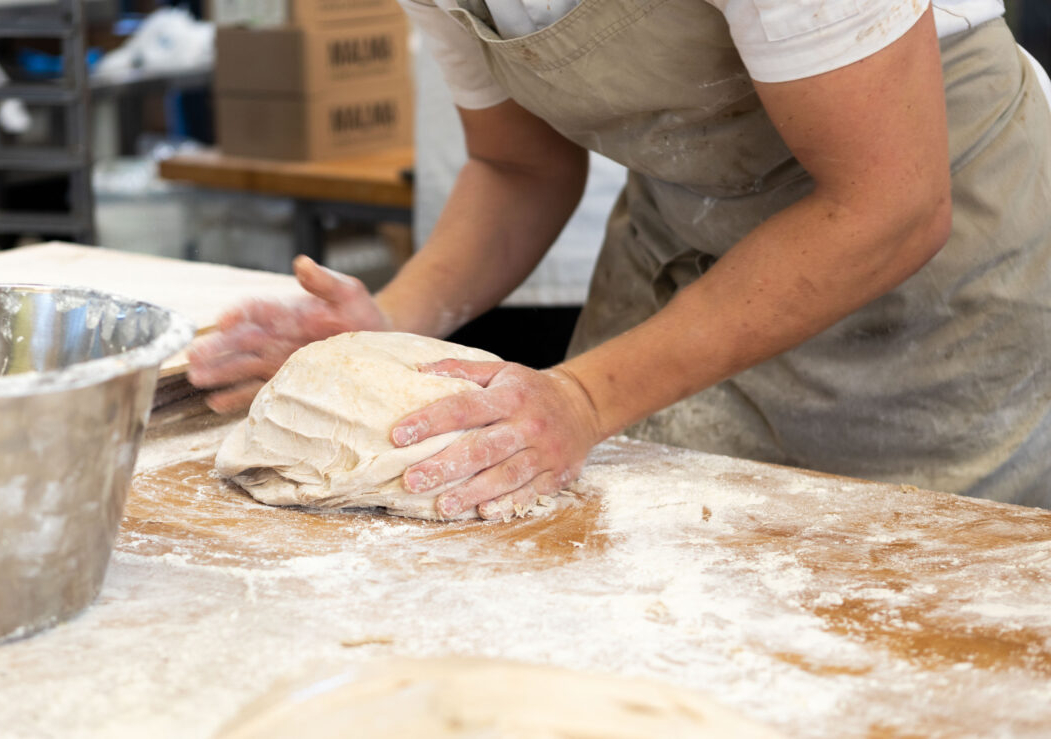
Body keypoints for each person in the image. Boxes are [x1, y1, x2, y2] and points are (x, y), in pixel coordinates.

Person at [190, 0, 1051, 518]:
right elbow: (517, 164)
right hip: (686, 241)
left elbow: (892, 202)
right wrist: (386, 326)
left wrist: (587, 394)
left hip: (923, 280)